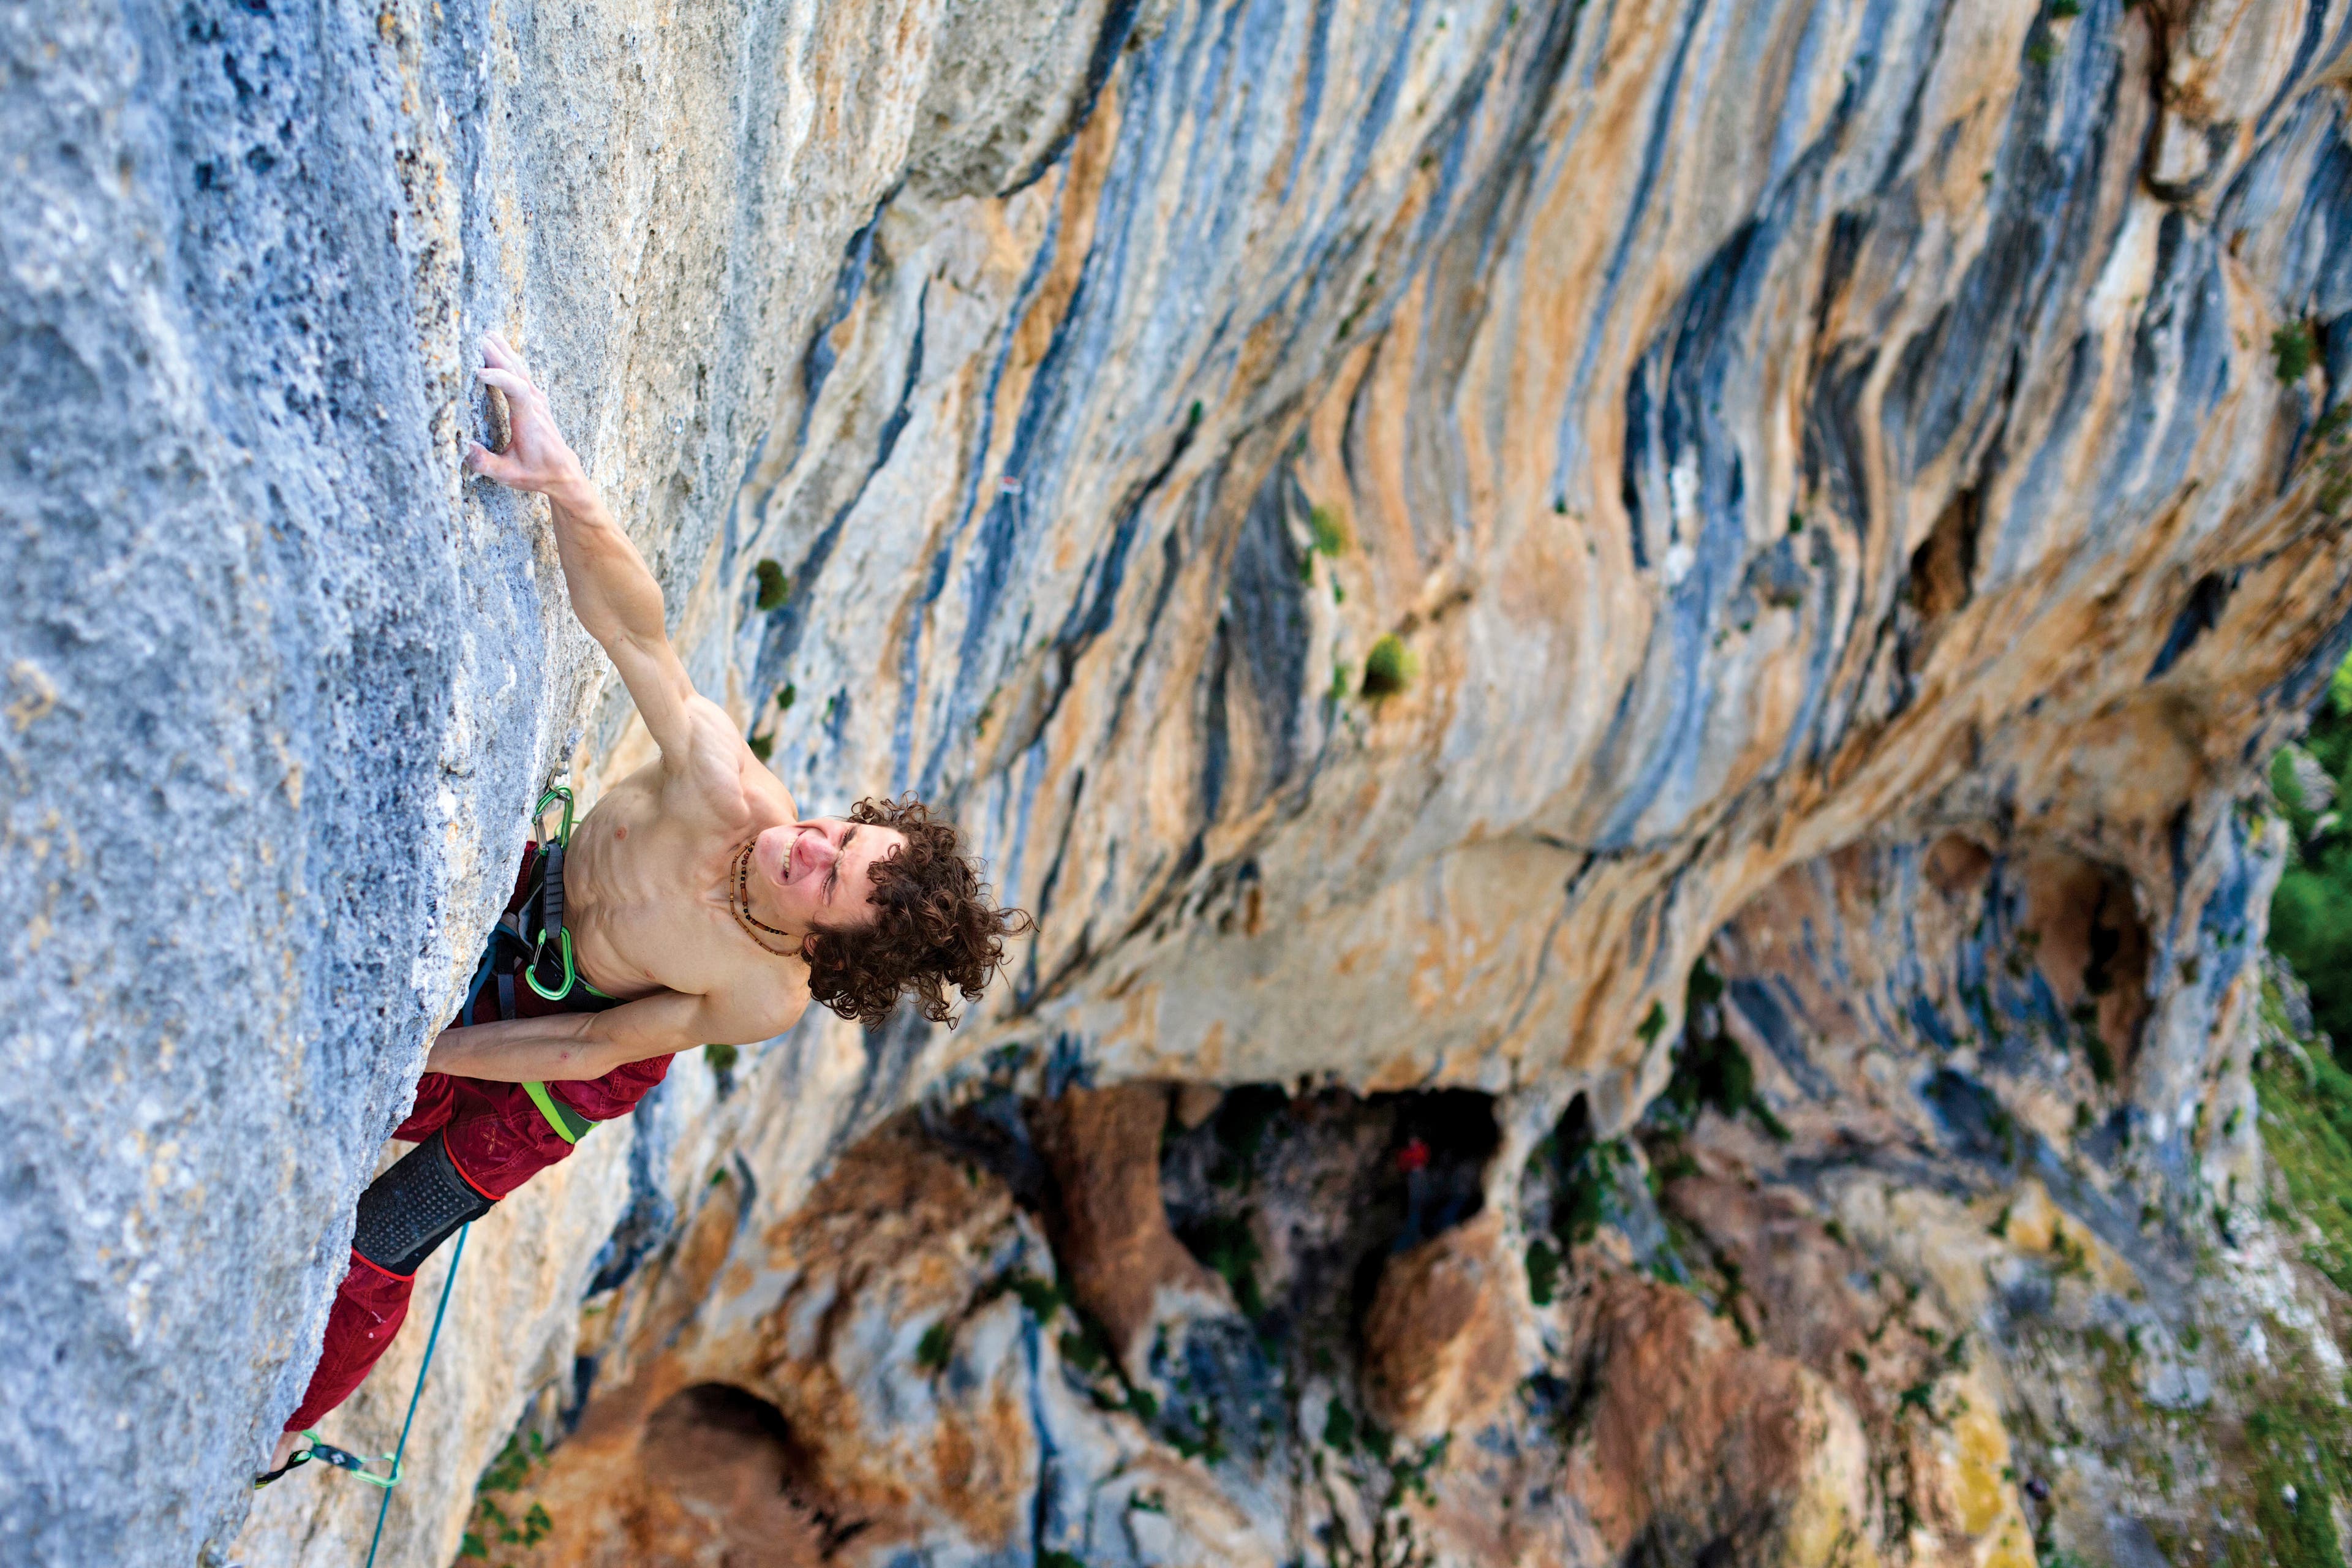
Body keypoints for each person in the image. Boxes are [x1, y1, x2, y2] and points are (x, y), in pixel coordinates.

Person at [260, 334, 1028, 1480]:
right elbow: (635, 633)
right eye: (841, 831)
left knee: (386, 1233)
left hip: (572, 1063)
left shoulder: (760, 990)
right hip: (534, 920)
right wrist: (565, 481)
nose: (810, 843)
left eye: (830, 876)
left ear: (827, 944)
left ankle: (279, 1427)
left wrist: (434, 1052)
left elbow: (594, 1039)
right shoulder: (730, 788)